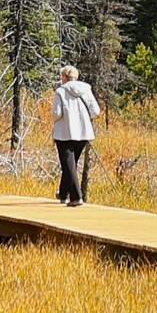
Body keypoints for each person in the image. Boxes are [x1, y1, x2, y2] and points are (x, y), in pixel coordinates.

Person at [49, 63, 102, 206]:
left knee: (68, 165)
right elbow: (96, 111)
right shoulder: (86, 89)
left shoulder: (60, 91)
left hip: (64, 133)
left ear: (65, 77)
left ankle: (76, 197)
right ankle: (63, 194)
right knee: (70, 165)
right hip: (83, 132)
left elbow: (56, 113)